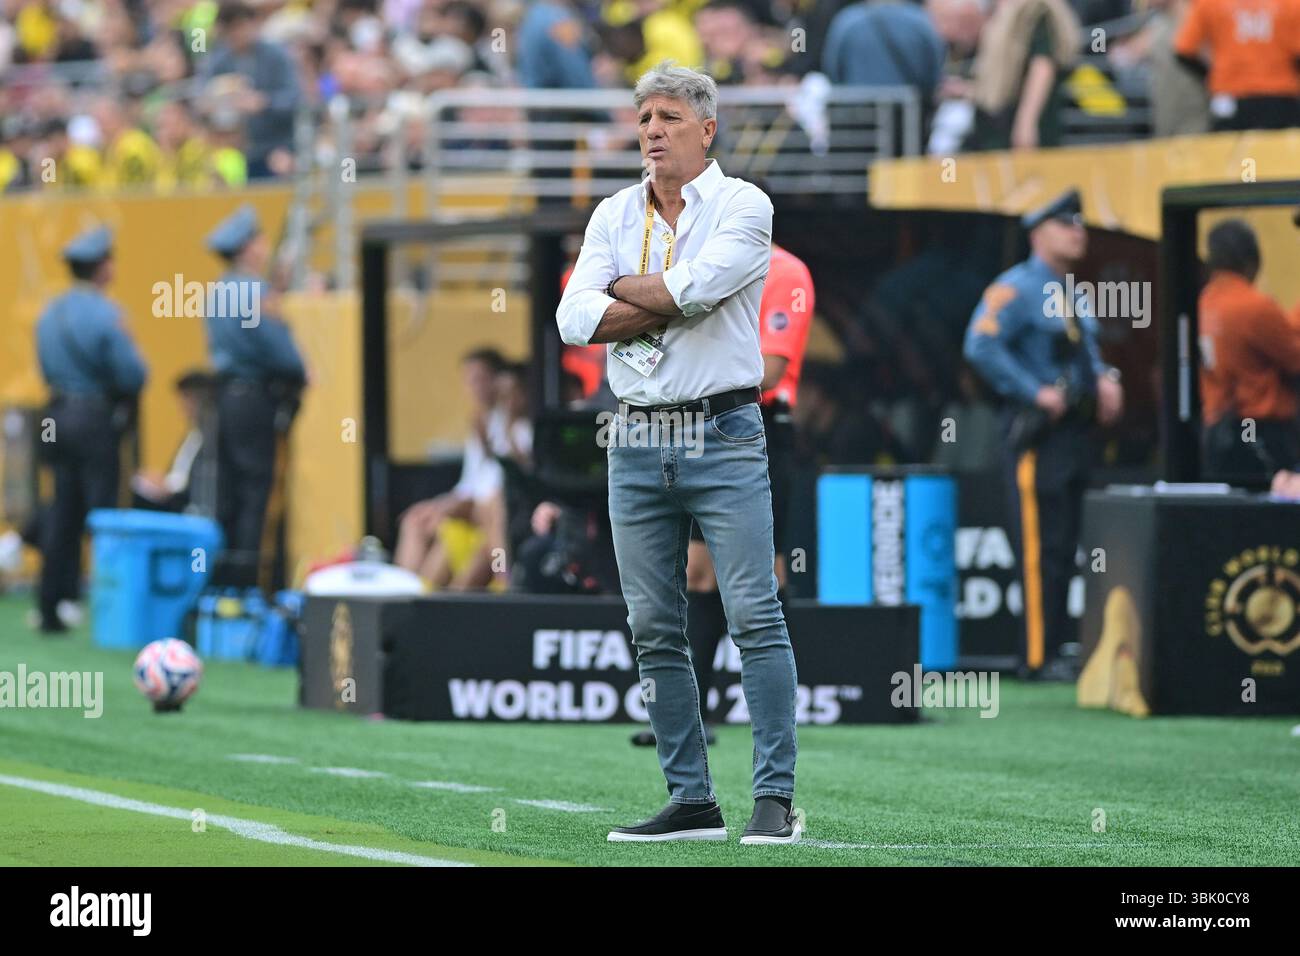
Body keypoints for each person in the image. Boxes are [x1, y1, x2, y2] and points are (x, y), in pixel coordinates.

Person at [557, 63, 800, 845]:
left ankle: (775, 800)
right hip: (635, 434)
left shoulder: (744, 204)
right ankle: (690, 799)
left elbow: (695, 289)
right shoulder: (612, 210)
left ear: (707, 128)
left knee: (754, 614)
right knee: (654, 625)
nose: (652, 130)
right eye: (643, 119)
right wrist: (655, 293)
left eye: (667, 116)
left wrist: (623, 295)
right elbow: (571, 319)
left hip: (723, 431)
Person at [630, 241, 815, 748]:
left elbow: (772, 369)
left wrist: (698, 363)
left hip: (755, 425)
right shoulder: (692, 267)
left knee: (761, 578)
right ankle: (695, 711)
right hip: (690, 424)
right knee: (696, 570)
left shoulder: (784, 270)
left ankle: (788, 709)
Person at [963, 189, 1124, 680]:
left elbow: (1085, 353)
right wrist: (1033, 392)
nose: (1078, 232)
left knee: (1064, 546)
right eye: (1065, 224)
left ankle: (1058, 648)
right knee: (1038, 550)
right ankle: (1036, 656)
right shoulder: (1015, 287)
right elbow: (980, 344)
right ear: (1038, 233)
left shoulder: (1073, 291)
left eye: (1079, 224)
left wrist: (1106, 379)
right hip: (1037, 436)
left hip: (1077, 435)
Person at [34, 226, 147, 633]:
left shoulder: (50, 312)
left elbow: (45, 367)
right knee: (102, 513)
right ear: (101, 267)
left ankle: (51, 602)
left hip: (54, 416)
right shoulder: (106, 314)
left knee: (61, 509)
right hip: (93, 418)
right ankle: (107, 603)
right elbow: (134, 374)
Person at [205, 205, 307, 589]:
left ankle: (226, 580)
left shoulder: (217, 291)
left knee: (229, 493)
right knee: (256, 494)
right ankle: (251, 584)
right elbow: (281, 350)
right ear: (247, 248)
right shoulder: (254, 291)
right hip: (256, 400)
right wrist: (302, 369)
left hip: (227, 399)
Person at [393, 350, 533, 588]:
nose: (474, 387)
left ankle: (505, 579)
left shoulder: (516, 422)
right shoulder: (481, 422)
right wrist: (443, 504)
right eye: (469, 381)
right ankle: (403, 590)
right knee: (416, 519)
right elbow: (471, 480)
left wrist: (455, 504)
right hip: (475, 501)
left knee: (485, 508)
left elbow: (508, 477)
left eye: (480, 379)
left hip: (492, 504)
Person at [1197, 219, 1300, 484]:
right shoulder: (1253, 306)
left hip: (1218, 432)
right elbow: (1295, 358)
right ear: (1251, 259)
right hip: (1260, 433)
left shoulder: (1202, 304)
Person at [199, 2, 301, 179]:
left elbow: (295, 99)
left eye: (241, 26)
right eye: (231, 30)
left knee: (280, 168)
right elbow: (199, 96)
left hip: (274, 145)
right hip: (232, 147)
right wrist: (213, 102)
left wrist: (264, 102)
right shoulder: (218, 60)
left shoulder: (275, 55)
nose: (238, 34)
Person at [965, 0, 1080, 151]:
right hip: (996, 122)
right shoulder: (1005, 10)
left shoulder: (1037, 11)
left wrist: (1026, 123)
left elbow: (1042, 66)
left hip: (1017, 126)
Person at [1174, 0, 1300, 132]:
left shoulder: (1209, 3)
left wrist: (1210, 76)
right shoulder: (1290, 3)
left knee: (1229, 150)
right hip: (1279, 96)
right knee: (1280, 151)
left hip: (1229, 96)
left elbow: (1183, 51)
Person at [131, 370, 217, 513]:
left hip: (184, 503)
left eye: (186, 399)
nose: (182, 406)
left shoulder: (212, 439)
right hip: (173, 494)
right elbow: (179, 472)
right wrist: (162, 479)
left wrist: (168, 486)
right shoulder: (192, 435)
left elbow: (200, 484)